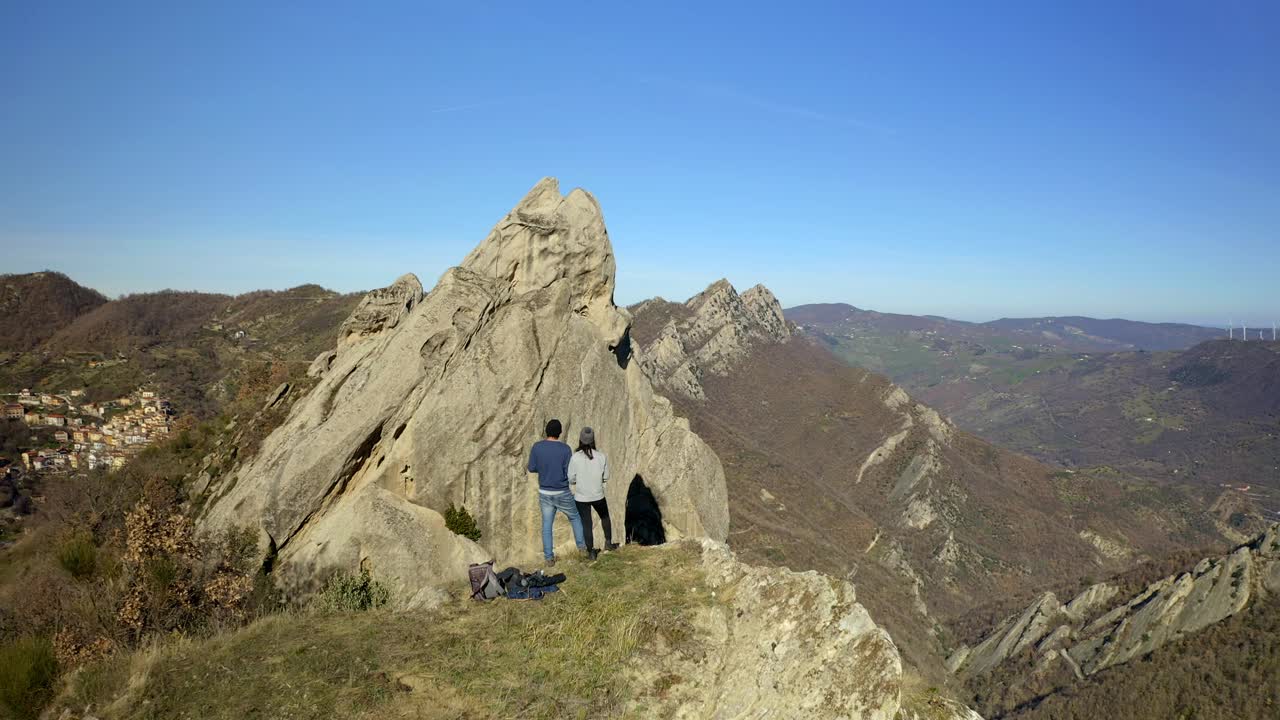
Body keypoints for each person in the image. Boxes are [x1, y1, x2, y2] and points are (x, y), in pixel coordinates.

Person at [527, 419, 585, 565]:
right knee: (575, 517)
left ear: (546, 431)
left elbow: (532, 468)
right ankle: (582, 548)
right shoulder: (565, 449)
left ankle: (549, 558)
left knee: (547, 524)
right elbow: (569, 472)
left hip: (545, 492)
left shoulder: (537, 447)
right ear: (559, 433)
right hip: (562, 491)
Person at [569, 427, 617, 558]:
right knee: (605, 516)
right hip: (598, 494)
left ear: (580, 440)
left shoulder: (575, 458)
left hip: (581, 496)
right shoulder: (601, 457)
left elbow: (571, 478)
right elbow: (606, 477)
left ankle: (591, 552)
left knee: (587, 523)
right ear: (593, 440)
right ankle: (608, 542)